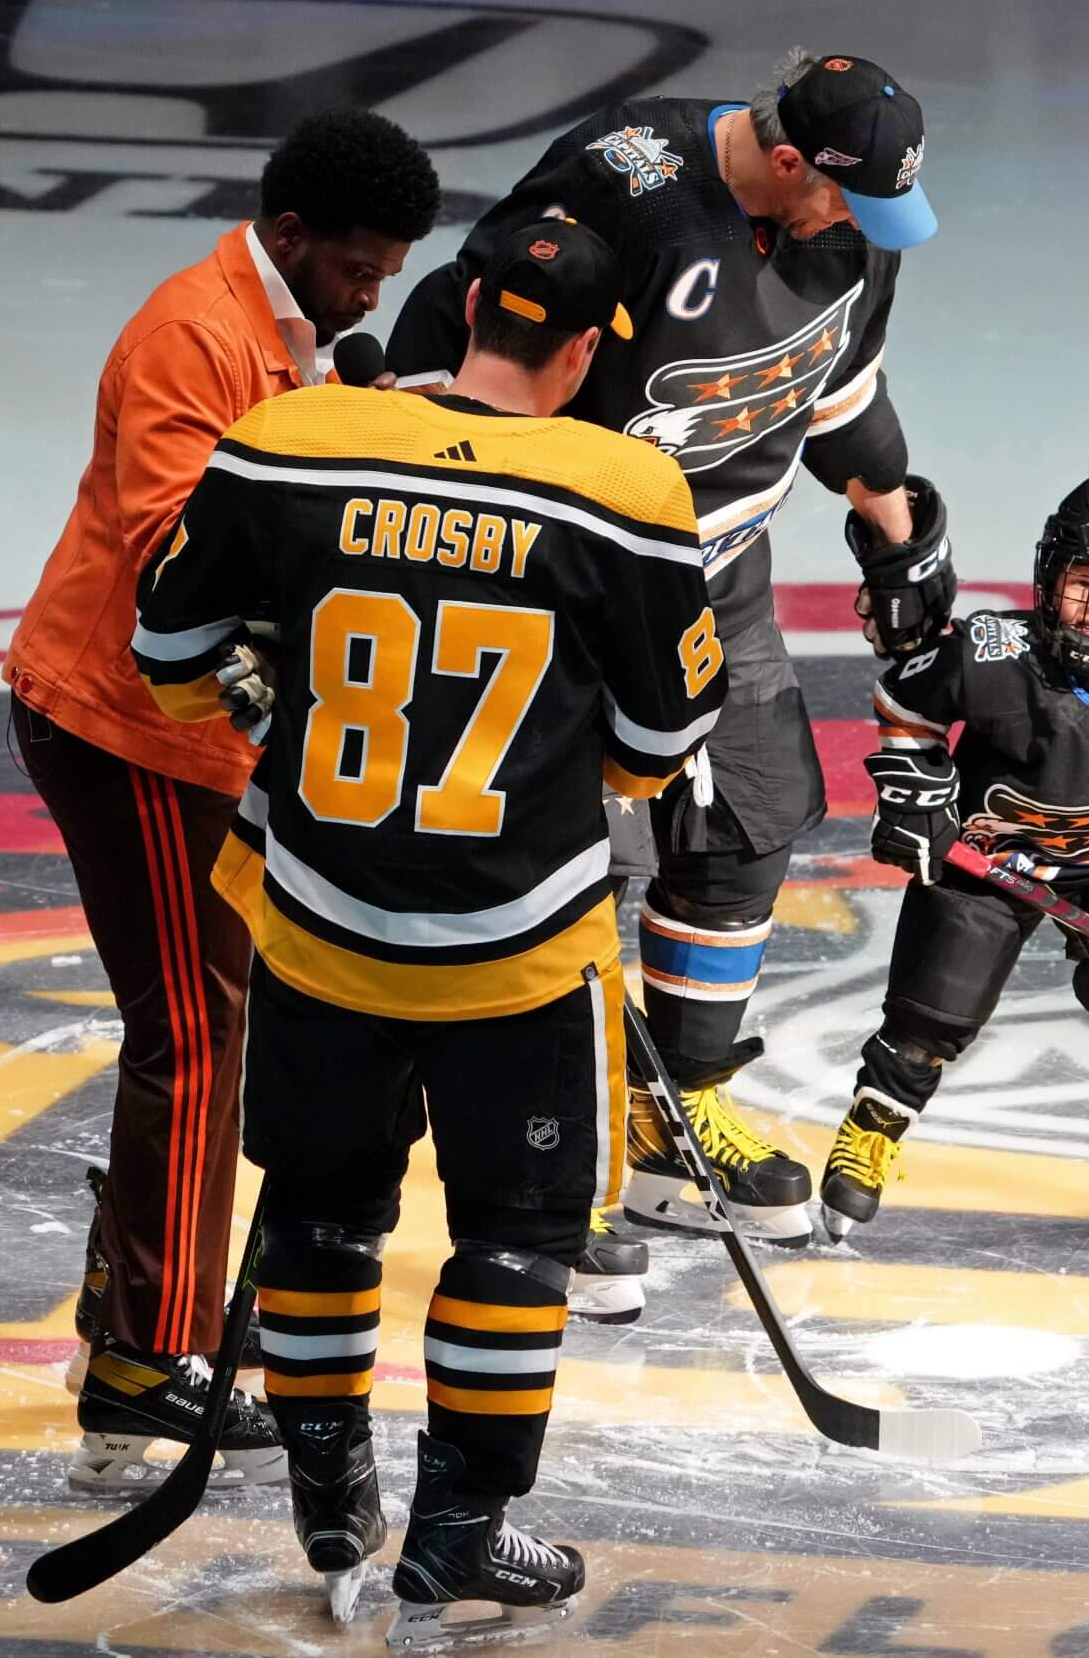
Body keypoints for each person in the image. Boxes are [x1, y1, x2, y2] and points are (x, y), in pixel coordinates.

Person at [132, 220, 723, 1640]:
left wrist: (276, 709)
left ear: (463, 313)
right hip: (518, 947)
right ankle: (459, 1531)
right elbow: (661, 741)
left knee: (321, 1210)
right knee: (516, 1236)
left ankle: (330, 1491)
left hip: (319, 923)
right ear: (584, 355)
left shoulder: (294, 438)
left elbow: (167, 650)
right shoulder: (625, 485)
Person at [386, 48, 950, 1250]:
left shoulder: (857, 231)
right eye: (850, 198)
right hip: (569, 584)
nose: (865, 226)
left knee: (747, 824)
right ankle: (555, 1162)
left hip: (718, 581)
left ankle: (673, 1109)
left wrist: (900, 540)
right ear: (787, 162)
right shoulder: (626, 188)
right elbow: (467, 327)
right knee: (567, 875)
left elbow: (834, 392)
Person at [1, 108, 440, 1491]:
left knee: (211, 1022)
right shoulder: (191, 336)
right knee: (192, 1033)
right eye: (358, 271)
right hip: (126, 723)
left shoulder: (302, 339)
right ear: (291, 236)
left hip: (198, 729)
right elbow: (169, 552)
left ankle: (137, 1313)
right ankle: (149, 1355)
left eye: (387, 275)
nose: (371, 299)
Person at [822, 480, 1089, 1237]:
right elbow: (906, 700)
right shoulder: (991, 653)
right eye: (1085, 583)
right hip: (981, 865)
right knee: (926, 1022)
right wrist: (916, 790)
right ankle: (869, 1136)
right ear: (1049, 578)